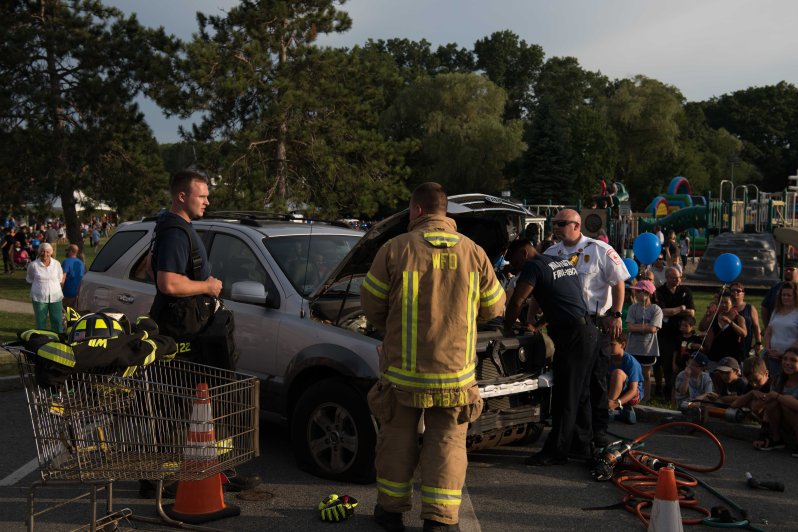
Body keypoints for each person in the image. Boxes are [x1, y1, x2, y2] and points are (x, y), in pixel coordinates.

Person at [361, 182, 505, 532]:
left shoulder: (394, 249)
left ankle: (391, 512)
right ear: (446, 213)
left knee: (397, 438)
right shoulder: (475, 252)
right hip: (455, 376)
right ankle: (440, 520)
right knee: (448, 442)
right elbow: (494, 307)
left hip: (403, 374)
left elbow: (371, 307)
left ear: (417, 211)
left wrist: (392, 330)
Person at [147, 169, 254, 497]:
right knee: (180, 408)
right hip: (181, 338)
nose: (208, 201)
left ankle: (217, 469)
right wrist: (208, 286)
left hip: (191, 331)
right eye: (202, 195)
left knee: (204, 403)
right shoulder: (175, 232)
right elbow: (168, 282)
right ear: (182, 196)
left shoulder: (179, 228)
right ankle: (161, 480)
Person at [504, 238, 597, 465]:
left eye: (513, 259)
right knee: (581, 394)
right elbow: (564, 300)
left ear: (525, 252)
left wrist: (506, 328)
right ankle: (582, 445)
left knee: (565, 394)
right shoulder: (559, 262)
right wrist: (538, 325)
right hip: (588, 330)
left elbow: (517, 301)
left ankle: (556, 451)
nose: (513, 265)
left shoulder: (533, 267)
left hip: (573, 336)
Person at [544, 208, 627, 449]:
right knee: (572, 382)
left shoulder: (598, 249)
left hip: (596, 321)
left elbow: (619, 281)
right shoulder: (552, 253)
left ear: (577, 226)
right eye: (555, 223)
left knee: (596, 380)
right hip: (566, 325)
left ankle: (599, 432)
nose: (557, 227)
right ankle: (578, 434)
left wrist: (617, 314)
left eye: (562, 223)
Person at [654, 267, 695, 401]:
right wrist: (681, 308)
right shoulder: (660, 292)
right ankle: (665, 392)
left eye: (679, 277)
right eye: (674, 277)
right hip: (665, 334)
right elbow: (662, 311)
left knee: (680, 363)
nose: (678, 280)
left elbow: (692, 312)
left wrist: (674, 311)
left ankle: (678, 392)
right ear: (667, 277)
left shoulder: (685, 291)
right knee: (665, 364)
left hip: (682, 335)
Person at [625, 280, 662, 403]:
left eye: (638, 291)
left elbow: (653, 329)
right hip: (632, 347)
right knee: (632, 374)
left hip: (648, 349)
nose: (635, 293)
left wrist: (638, 327)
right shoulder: (632, 308)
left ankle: (646, 397)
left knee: (646, 375)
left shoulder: (656, 309)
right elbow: (630, 327)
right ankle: (632, 396)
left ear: (647, 293)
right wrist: (646, 326)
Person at [755, 348, 798, 452]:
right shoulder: (778, 379)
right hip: (785, 423)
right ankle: (776, 439)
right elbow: (768, 406)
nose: (788, 363)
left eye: (793, 360)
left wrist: (778, 396)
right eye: (785, 359)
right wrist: (762, 435)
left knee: (786, 402)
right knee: (772, 401)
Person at [762, 281, 798, 382]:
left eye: (789, 295)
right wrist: (768, 348)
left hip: (790, 360)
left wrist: (784, 355)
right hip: (772, 357)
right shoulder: (776, 311)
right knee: (772, 382)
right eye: (783, 295)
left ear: (795, 296)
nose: (785, 297)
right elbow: (768, 332)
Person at [26, 242, 65, 333]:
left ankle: (57, 338)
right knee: (40, 320)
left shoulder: (56, 264)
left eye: (47, 252)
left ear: (51, 252)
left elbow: (60, 278)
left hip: (56, 296)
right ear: (40, 252)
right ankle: (41, 338)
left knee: (57, 319)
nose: (45, 254)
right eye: (43, 251)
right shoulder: (33, 265)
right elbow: (30, 279)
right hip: (39, 297)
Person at [607, 332, 644, 424]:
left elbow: (633, 390)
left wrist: (615, 403)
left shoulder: (631, 362)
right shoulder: (607, 358)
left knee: (618, 373)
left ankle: (610, 409)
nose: (608, 347)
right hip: (615, 389)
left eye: (612, 344)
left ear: (622, 345)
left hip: (632, 395)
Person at [705, 291, 747, 365]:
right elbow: (702, 327)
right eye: (721, 302)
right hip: (715, 357)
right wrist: (708, 315)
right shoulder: (715, 317)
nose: (723, 305)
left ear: (732, 303)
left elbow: (744, 334)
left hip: (732, 358)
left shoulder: (739, 318)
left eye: (726, 302)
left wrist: (731, 323)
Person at [729, 282, 762, 358]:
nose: (735, 292)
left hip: (745, 346)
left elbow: (756, 327)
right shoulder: (727, 308)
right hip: (729, 345)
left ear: (743, 294)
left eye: (738, 290)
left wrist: (758, 343)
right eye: (733, 290)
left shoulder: (750, 308)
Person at [761, 260, 797, 328]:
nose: (788, 271)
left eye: (791, 269)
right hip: (776, 327)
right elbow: (764, 307)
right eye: (786, 269)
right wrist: (767, 326)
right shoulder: (776, 287)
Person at [673, 316, 703, 381]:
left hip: (691, 366)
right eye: (681, 325)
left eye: (685, 326)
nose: (683, 327)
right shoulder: (679, 338)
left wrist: (700, 347)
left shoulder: (696, 338)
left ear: (692, 327)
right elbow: (675, 351)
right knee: (676, 382)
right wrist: (674, 363)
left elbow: (701, 350)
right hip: (679, 365)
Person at [61, 244, 85, 310]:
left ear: (71, 251)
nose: (66, 252)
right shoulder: (81, 263)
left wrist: (59, 291)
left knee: (65, 313)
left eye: (67, 251)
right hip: (77, 292)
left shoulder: (66, 261)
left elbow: (63, 278)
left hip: (67, 292)